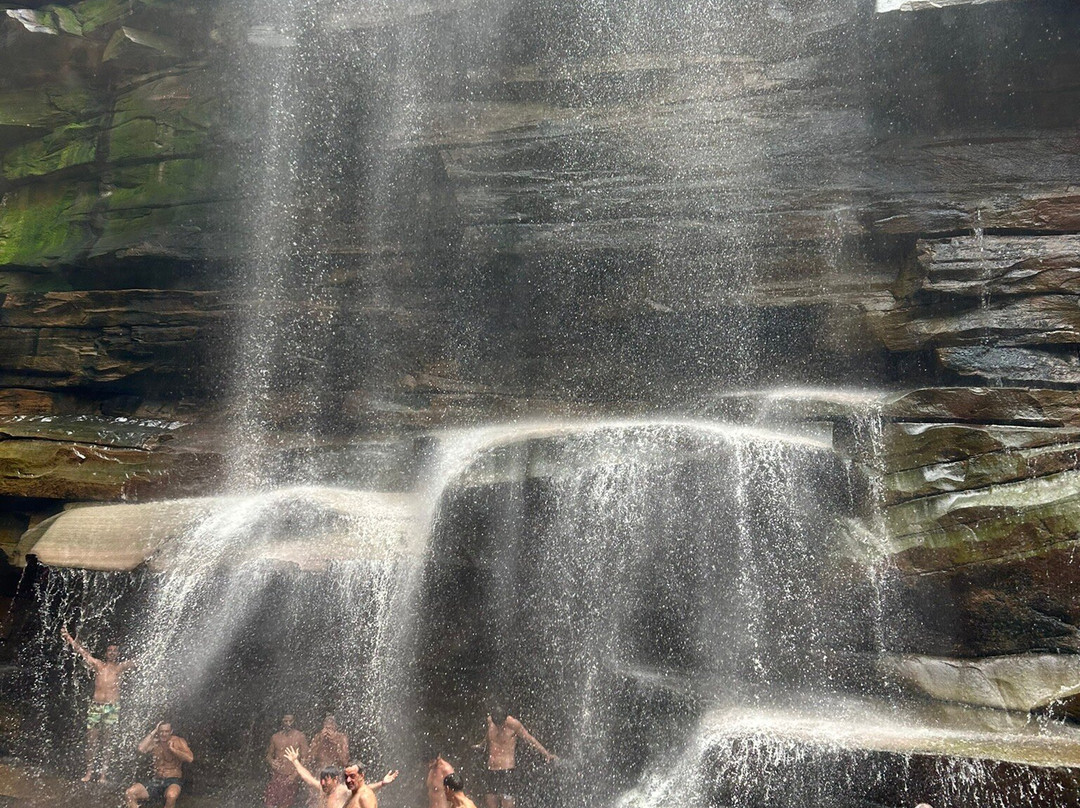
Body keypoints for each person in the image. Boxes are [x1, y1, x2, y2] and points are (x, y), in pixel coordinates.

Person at [61, 626, 136, 782]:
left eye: (115, 651)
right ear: (106, 653)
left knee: (107, 741)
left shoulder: (120, 668)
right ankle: (89, 772)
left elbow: (139, 661)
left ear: (118, 654)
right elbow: (83, 652)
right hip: (96, 706)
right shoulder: (98, 665)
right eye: (110, 650)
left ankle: (103, 774)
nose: (112, 653)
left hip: (111, 707)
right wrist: (68, 637)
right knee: (92, 741)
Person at [479, 706, 556, 808]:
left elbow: (530, 739)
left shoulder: (514, 725)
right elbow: (488, 735)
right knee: (490, 803)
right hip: (491, 770)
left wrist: (546, 754)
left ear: (505, 719)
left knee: (507, 804)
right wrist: (481, 744)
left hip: (507, 771)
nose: (498, 727)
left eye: (500, 724)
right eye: (496, 724)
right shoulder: (490, 721)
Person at [125, 722, 194, 808]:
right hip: (156, 780)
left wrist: (173, 750)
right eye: (161, 731)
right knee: (130, 793)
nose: (163, 734)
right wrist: (153, 732)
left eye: (166, 731)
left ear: (171, 731)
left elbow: (190, 758)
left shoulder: (178, 741)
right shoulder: (155, 742)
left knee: (171, 796)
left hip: (173, 780)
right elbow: (141, 749)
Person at [283, 745, 350, 808]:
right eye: (322, 780)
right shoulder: (322, 788)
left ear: (335, 779)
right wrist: (295, 761)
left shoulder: (343, 791)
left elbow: (359, 792)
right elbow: (308, 778)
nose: (323, 783)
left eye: (326, 780)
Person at [265, 713, 309, 808]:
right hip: (277, 776)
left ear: (294, 722)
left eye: (290, 721)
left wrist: (295, 775)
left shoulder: (300, 736)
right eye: (285, 721)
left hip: (291, 776)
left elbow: (305, 758)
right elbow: (268, 755)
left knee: (286, 805)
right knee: (270, 803)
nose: (288, 723)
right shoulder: (275, 737)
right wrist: (272, 762)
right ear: (282, 722)